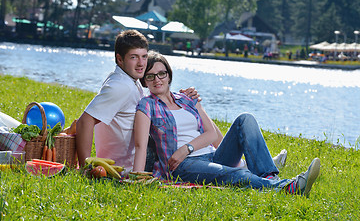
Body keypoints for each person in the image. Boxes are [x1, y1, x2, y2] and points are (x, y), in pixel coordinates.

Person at [133, 51, 321, 196]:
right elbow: (140, 145)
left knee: (245, 119)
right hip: (183, 166)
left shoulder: (186, 99)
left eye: (161, 74)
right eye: (150, 76)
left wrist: (186, 148)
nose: (157, 79)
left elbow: (211, 134)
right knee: (234, 175)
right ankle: (289, 187)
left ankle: (269, 177)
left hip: (211, 155)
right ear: (144, 81)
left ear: (169, 75)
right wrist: (137, 178)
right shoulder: (147, 105)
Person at [76, 30, 198, 171]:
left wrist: (182, 97)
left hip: (143, 157)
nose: (141, 64)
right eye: (134, 57)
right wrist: (85, 168)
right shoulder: (120, 86)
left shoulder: (128, 80)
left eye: (144, 56)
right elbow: (85, 121)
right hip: (131, 166)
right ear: (120, 59)